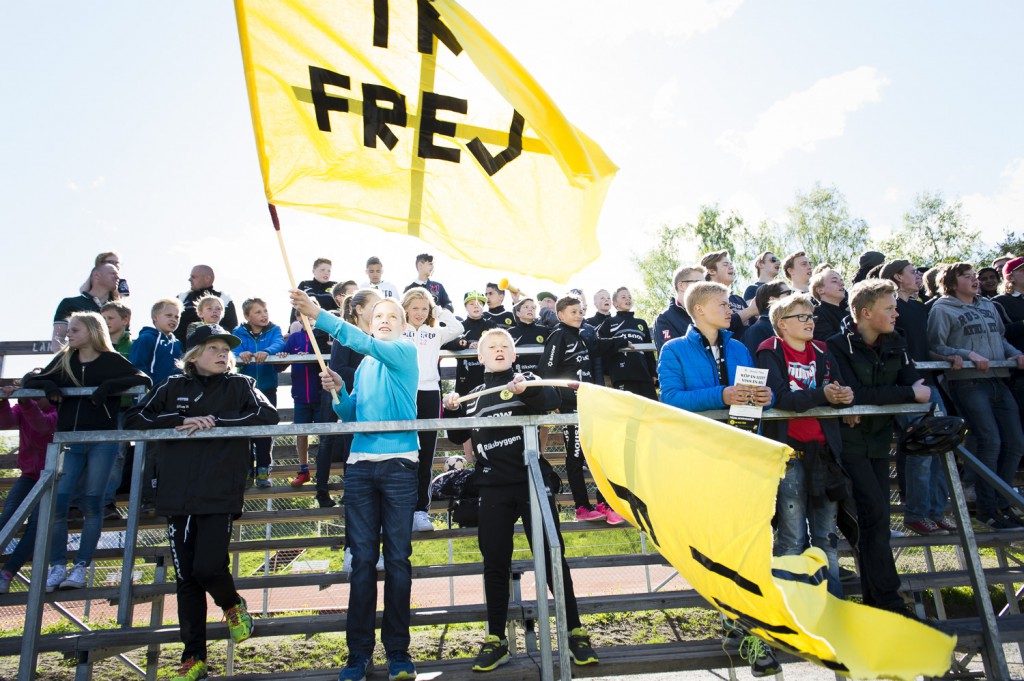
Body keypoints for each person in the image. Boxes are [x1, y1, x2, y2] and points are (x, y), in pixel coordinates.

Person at [125, 324, 278, 681]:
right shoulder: (171, 385)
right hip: (176, 493)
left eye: (226, 348)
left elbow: (267, 416)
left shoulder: (242, 385)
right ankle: (193, 657)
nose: (223, 354)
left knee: (207, 568)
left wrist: (216, 422)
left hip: (220, 490)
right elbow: (135, 418)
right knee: (187, 578)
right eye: (213, 348)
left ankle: (231, 604)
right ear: (193, 355)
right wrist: (180, 420)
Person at [443, 329, 599, 671]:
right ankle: (496, 639)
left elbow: (551, 401)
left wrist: (525, 389)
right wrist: (451, 406)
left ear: (513, 355)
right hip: (493, 488)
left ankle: (574, 632)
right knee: (495, 563)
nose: (499, 352)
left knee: (552, 559)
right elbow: (456, 435)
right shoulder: (476, 394)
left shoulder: (526, 378)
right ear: (480, 357)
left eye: (505, 348)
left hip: (532, 483)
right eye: (492, 348)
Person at [291, 288, 421, 681]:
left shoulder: (403, 353)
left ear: (404, 326)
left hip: (399, 465)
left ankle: (398, 652)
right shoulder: (365, 365)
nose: (384, 320)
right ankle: (358, 654)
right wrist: (338, 391)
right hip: (361, 467)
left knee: (397, 561)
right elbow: (350, 415)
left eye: (392, 317)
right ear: (370, 321)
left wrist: (320, 316)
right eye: (378, 316)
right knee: (363, 562)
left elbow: (360, 340)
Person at [656, 282, 779, 676]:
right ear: (699, 310)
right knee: (722, 549)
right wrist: (721, 394)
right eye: (723, 304)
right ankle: (741, 627)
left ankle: (740, 625)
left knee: (749, 547)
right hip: (701, 460)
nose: (731, 310)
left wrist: (766, 398)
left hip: (744, 455)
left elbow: (760, 392)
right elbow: (670, 400)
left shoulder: (740, 347)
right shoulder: (673, 350)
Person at [22, 312, 151, 592]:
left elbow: (142, 379)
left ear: (92, 331)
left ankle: (80, 567)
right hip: (70, 440)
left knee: (93, 503)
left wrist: (107, 388)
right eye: (68, 330)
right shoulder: (65, 359)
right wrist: (49, 385)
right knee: (59, 504)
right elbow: (29, 380)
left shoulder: (111, 360)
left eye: (74, 330)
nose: (69, 334)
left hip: (102, 440)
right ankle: (57, 566)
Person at [827, 279, 930, 616]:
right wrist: (905, 394)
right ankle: (887, 600)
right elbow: (854, 393)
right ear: (866, 313)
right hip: (848, 445)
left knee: (875, 520)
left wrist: (901, 393)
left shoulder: (896, 341)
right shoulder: (836, 345)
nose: (896, 313)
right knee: (874, 515)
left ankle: (880, 600)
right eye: (889, 308)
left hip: (878, 442)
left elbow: (915, 382)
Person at [756, 293, 853, 597]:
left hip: (825, 453)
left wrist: (845, 397)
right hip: (790, 454)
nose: (810, 322)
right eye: (802, 317)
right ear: (782, 324)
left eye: (811, 317)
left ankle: (832, 606)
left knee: (826, 538)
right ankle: (793, 608)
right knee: (792, 538)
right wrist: (823, 395)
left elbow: (835, 388)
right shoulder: (768, 351)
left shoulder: (823, 350)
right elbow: (781, 399)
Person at [927, 262, 1024, 530]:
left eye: (974, 277)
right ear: (952, 282)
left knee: (1016, 442)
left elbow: (1000, 338)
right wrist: (967, 354)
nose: (975, 281)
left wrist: (1013, 353)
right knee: (989, 441)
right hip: (968, 382)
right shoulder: (942, 308)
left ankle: (1004, 504)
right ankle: (986, 508)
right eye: (967, 277)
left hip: (998, 379)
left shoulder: (988, 305)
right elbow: (935, 346)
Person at [880, 260, 954, 536]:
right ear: (897, 277)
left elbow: (924, 347)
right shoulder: (890, 307)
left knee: (941, 446)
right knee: (921, 448)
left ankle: (936, 512)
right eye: (913, 272)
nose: (919, 276)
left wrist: (946, 357)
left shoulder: (920, 307)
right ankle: (916, 513)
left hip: (931, 381)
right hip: (907, 385)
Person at [540, 295, 627, 524]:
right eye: (573, 312)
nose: (578, 315)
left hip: (590, 404)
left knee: (599, 454)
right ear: (560, 315)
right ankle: (581, 507)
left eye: (580, 311)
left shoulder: (585, 334)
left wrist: (621, 341)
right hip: (570, 407)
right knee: (576, 456)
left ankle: (605, 504)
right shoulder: (558, 336)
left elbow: (600, 346)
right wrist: (555, 402)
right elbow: (546, 372)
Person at [401, 287, 464, 532]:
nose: (419, 313)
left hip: (429, 393)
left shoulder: (434, 333)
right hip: (403, 392)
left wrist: (436, 309)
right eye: (414, 308)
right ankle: (401, 509)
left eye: (423, 308)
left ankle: (420, 511)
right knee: (404, 455)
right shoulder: (398, 331)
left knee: (425, 456)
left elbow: (457, 328)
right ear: (405, 309)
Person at [317, 288, 383, 511]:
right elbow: (338, 367)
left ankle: (353, 490)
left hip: (366, 397)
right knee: (332, 441)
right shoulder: (347, 335)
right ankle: (322, 490)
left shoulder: (377, 338)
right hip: (341, 395)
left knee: (353, 443)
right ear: (359, 309)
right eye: (375, 306)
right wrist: (367, 372)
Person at [0, 383, 58, 594]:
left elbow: (43, 425)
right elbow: (5, 421)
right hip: (29, 475)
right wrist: (3, 400)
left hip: (52, 476)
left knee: (37, 526)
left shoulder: (56, 410)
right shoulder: (25, 407)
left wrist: (26, 401)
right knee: (8, 515)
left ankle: (7, 572)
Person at [233, 298, 286, 488]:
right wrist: (241, 354)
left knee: (265, 430)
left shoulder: (274, 330)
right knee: (245, 430)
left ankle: (263, 470)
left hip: (267, 389)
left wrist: (266, 351)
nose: (264, 315)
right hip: (245, 391)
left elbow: (280, 344)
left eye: (265, 310)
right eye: (258, 312)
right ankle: (247, 470)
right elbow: (234, 348)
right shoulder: (238, 333)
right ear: (247, 316)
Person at [283, 323, 329, 487]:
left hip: (321, 395)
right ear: (298, 318)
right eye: (303, 315)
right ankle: (304, 470)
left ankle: (323, 472)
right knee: (301, 433)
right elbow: (279, 366)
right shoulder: (295, 338)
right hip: (300, 396)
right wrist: (283, 355)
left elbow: (330, 357)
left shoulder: (323, 334)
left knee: (324, 435)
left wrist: (310, 356)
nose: (308, 318)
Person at [602, 287, 657, 400]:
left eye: (629, 297)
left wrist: (653, 373)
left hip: (644, 375)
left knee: (651, 410)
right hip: (622, 376)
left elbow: (649, 352)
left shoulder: (641, 323)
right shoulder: (609, 322)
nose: (628, 299)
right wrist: (610, 370)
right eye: (623, 297)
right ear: (615, 303)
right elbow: (601, 346)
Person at [52, 263, 120, 352]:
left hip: (113, 362)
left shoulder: (119, 308)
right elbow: (58, 339)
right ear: (96, 275)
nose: (117, 277)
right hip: (80, 362)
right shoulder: (69, 303)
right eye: (113, 273)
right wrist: (65, 363)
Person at [701, 251, 759, 339]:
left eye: (731, 264)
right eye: (725, 264)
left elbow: (753, 327)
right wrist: (749, 311)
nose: (731, 267)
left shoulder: (738, 299)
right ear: (712, 271)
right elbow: (718, 325)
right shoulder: (705, 297)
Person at [175, 265, 238, 344]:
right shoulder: (182, 298)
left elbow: (232, 329)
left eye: (193, 277)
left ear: (207, 278)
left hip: (215, 350)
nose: (189, 279)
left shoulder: (224, 299)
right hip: (183, 352)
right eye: (209, 308)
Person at [130, 299, 184, 388]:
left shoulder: (177, 344)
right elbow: (137, 367)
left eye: (176, 317)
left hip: (173, 394)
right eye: (169, 315)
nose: (173, 319)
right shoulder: (146, 338)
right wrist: (155, 386)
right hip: (151, 394)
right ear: (155, 317)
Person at [653, 265, 704, 351]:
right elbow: (670, 355)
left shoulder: (707, 313)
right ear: (681, 286)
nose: (705, 288)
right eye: (699, 283)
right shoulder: (664, 319)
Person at [742, 281, 792, 356]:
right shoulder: (756, 330)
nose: (792, 298)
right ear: (772, 299)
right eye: (788, 294)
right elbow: (754, 364)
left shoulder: (789, 325)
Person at [994, 257, 1024, 354]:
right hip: (1018, 361)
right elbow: (996, 333)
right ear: (1010, 277)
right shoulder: (998, 302)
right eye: (1022, 270)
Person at [810, 269, 848, 342]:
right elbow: (830, 342)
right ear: (820, 290)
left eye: (841, 280)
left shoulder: (848, 311)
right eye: (834, 281)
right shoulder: (816, 313)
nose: (842, 284)